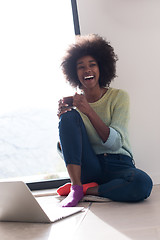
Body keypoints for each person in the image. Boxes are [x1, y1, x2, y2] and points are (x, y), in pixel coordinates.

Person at [57, 34, 153, 207]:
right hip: (90, 165)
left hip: (118, 164)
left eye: (92, 65)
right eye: (81, 67)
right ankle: (77, 186)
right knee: (68, 118)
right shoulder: (75, 106)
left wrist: (88, 110)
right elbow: (69, 153)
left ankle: (86, 190)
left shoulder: (119, 97)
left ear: (101, 67)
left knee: (142, 183)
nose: (87, 70)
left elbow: (115, 144)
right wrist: (64, 123)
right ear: (74, 73)